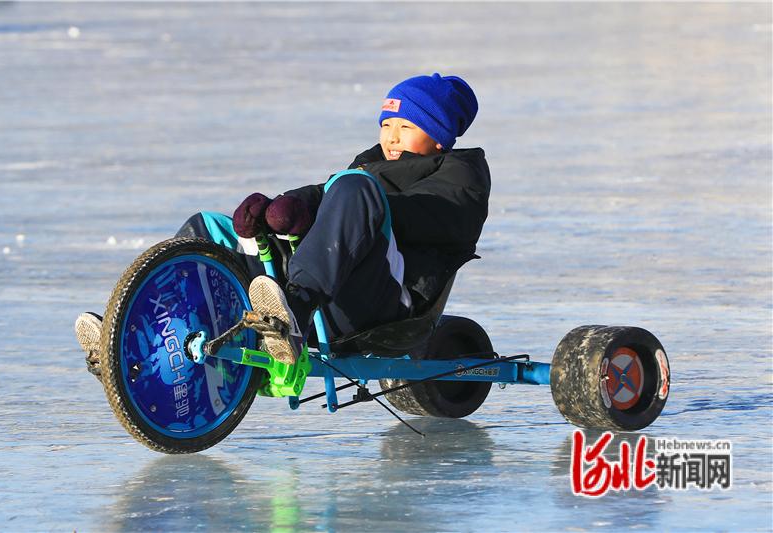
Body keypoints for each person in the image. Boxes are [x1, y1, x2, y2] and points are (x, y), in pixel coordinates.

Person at [76, 73, 490, 374]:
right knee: (209, 229)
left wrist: (339, 205)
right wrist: (282, 207)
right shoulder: (370, 165)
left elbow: (426, 217)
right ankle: (136, 334)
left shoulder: (462, 176)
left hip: (385, 307)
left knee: (354, 189)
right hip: (325, 294)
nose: (392, 137)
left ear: (439, 135)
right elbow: (326, 192)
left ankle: (294, 308)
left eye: (406, 126)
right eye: (386, 125)